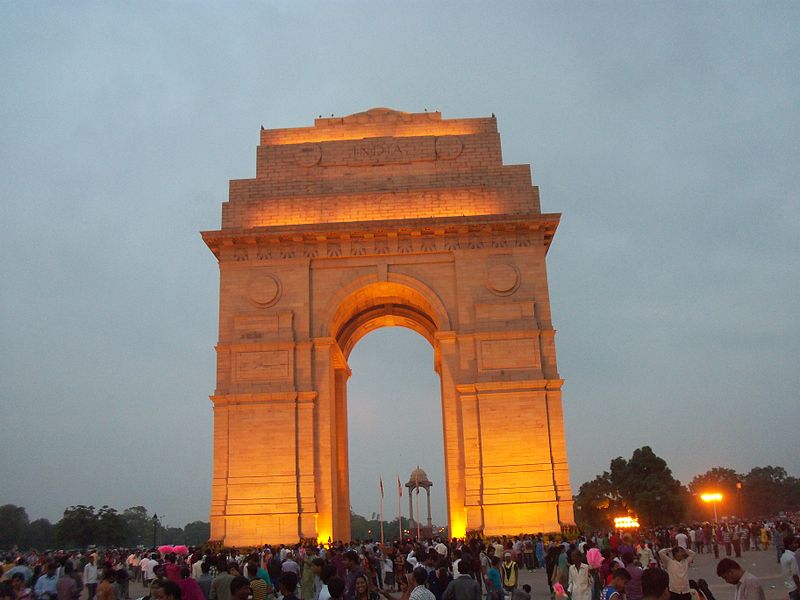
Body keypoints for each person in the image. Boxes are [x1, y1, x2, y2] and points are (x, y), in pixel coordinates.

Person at [780, 536, 800, 600]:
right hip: (795, 587)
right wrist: (799, 587)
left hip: (789, 586)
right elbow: (795, 575)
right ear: (789, 545)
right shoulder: (792, 557)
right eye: (795, 543)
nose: (797, 545)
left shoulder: (784, 556)